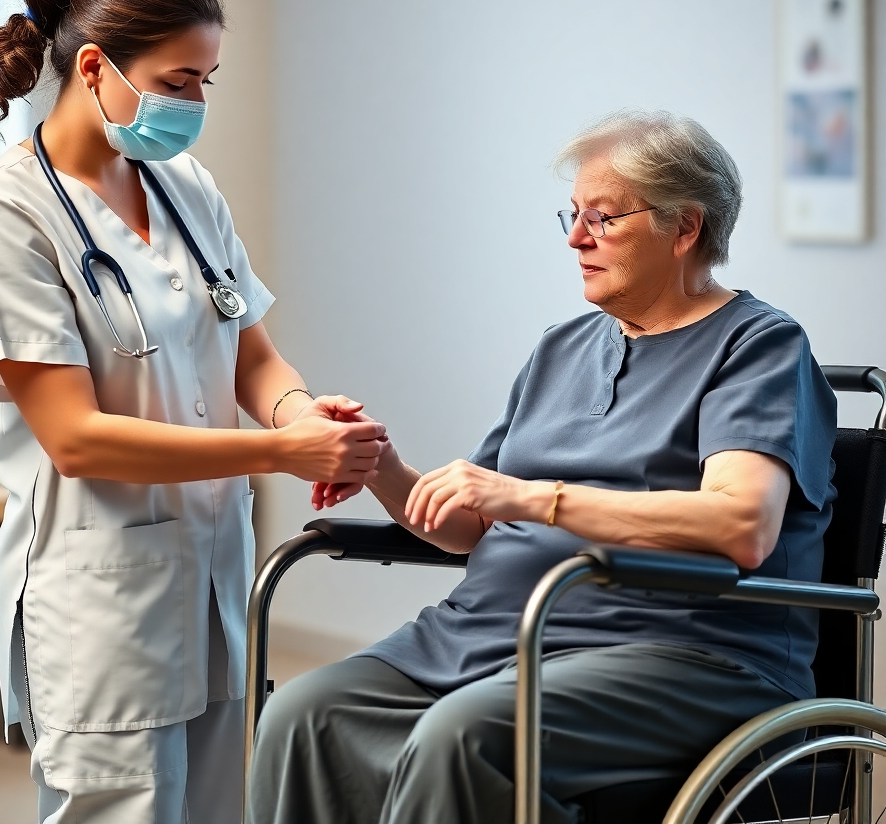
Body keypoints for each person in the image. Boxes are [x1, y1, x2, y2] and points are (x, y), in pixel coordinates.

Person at [247, 110, 837, 824]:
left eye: (604, 218)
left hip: (680, 654)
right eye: (574, 214)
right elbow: (471, 522)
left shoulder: (757, 346)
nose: (575, 238)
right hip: (494, 633)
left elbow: (740, 525)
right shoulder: (563, 348)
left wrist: (535, 498)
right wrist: (383, 466)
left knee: (467, 738)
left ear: (684, 228)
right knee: (304, 714)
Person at [0, 0, 387, 824]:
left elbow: (249, 348)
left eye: (205, 81)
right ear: (96, 67)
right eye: (176, 82)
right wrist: (278, 454)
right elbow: (73, 438)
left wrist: (300, 411)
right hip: (102, 602)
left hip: (218, 582)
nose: (193, 103)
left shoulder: (187, 188)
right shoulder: (4, 217)